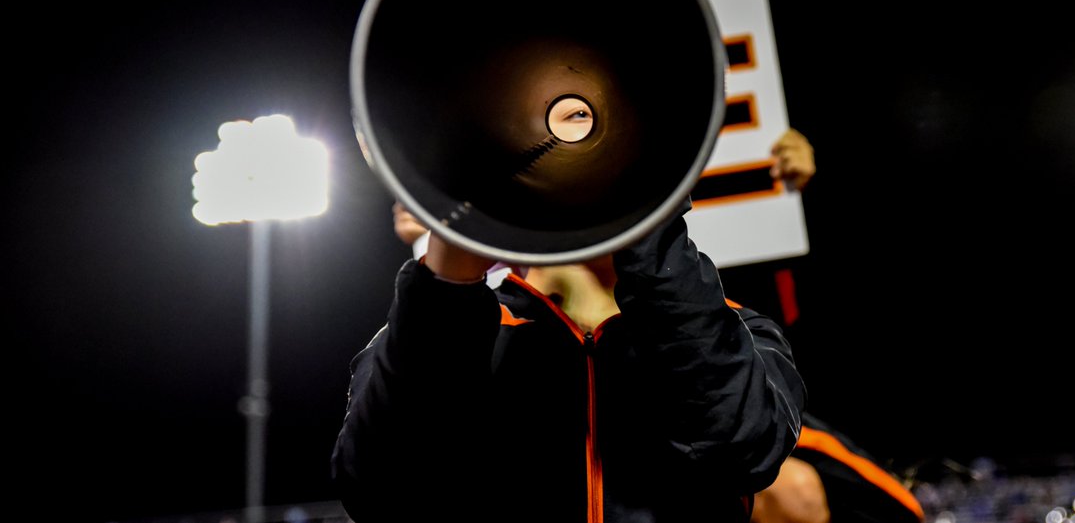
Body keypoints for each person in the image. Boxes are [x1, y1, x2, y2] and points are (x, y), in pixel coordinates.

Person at [379, 129, 923, 523]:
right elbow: (386, 478)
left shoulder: (715, 311)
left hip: (696, 392)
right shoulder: (490, 322)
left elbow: (750, 436)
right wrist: (444, 249)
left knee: (792, 491)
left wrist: (651, 209)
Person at [332, 148, 808, 521]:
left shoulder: (741, 329)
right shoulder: (430, 325)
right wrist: (450, 267)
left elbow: (744, 450)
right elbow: (379, 493)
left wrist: (651, 223)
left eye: (583, 116)